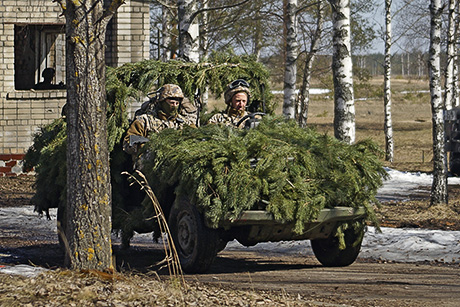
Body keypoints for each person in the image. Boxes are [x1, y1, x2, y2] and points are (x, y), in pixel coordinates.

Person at [123, 84, 195, 156]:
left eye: (177, 103)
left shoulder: (184, 123)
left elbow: (197, 138)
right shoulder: (144, 121)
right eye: (171, 103)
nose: (174, 106)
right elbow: (128, 143)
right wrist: (148, 146)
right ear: (162, 102)